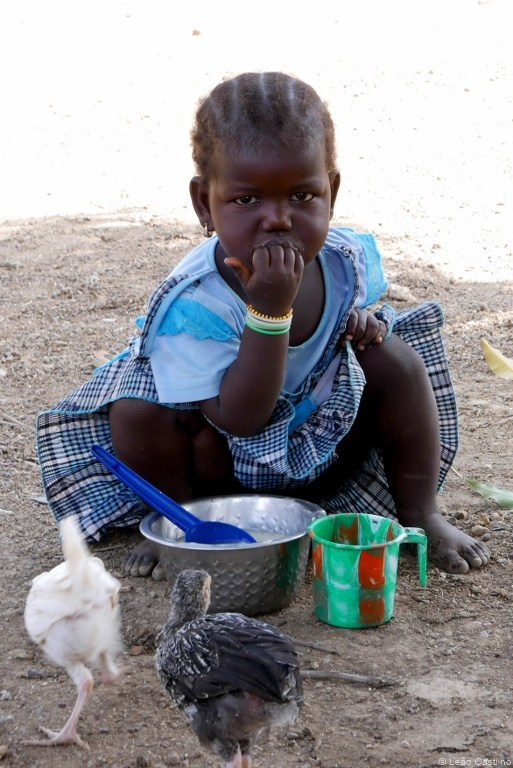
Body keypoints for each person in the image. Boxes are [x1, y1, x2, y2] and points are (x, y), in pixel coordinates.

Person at [37, 71, 489, 580]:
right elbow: (240, 419)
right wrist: (270, 313)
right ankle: (178, 520)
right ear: (204, 204)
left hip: (315, 445)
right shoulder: (195, 305)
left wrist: (360, 320)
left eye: (303, 196)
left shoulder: (342, 259)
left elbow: (359, 310)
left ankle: (421, 513)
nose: (278, 219)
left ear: (332, 191)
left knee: (394, 358)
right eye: (247, 200)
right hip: (217, 460)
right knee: (137, 410)